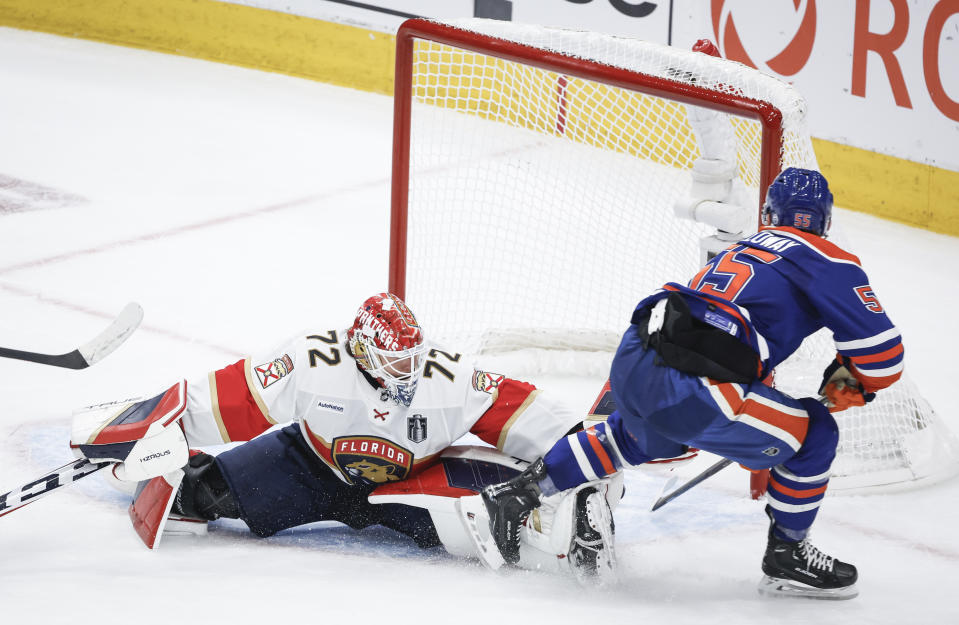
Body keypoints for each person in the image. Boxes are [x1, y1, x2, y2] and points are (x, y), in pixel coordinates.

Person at [480, 168, 905, 600]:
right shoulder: (829, 259)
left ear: (768, 214)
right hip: (700, 387)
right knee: (816, 431)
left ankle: (519, 492)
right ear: (825, 222)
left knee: (639, 438)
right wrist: (854, 377)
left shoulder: (741, 248)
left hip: (635, 355)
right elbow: (885, 358)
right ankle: (787, 555)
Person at [69, 292, 619, 579]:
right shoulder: (310, 358)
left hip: (411, 479)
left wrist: (592, 453)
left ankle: (553, 530)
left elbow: (525, 413)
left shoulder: (447, 379)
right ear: (361, 349)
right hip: (308, 464)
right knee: (202, 496)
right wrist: (149, 425)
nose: (407, 373)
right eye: (394, 361)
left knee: (488, 528)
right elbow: (230, 398)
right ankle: (146, 471)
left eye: (413, 360)